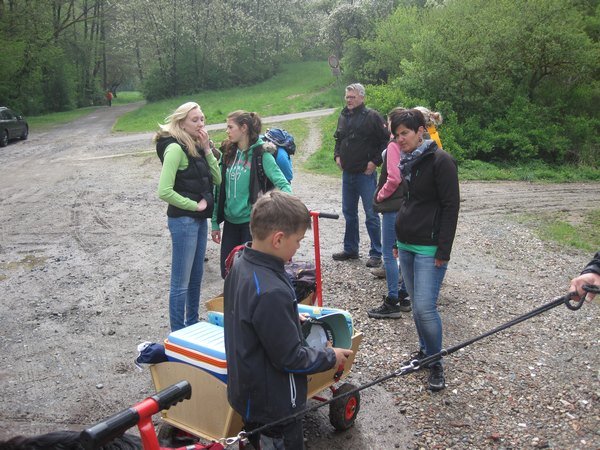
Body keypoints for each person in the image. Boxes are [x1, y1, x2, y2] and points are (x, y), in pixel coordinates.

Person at [223, 191, 353, 449]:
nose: (298, 248)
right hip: (275, 407)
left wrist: (288, 314)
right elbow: (290, 358)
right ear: (278, 239)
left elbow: (251, 312)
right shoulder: (271, 291)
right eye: (298, 241)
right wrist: (331, 357)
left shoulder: (242, 262)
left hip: (248, 392)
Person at [392, 108, 460, 392]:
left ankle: (436, 362)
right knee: (417, 311)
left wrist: (443, 249)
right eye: (396, 135)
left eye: (405, 133)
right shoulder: (409, 161)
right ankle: (424, 352)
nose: (400, 140)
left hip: (430, 248)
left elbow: (450, 206)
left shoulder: (440, 161)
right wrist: (397, 240)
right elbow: (408, 202)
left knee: (424, 307)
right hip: (407, 244)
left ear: (421, 130)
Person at [155, 102, 221, 331]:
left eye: (202, 119)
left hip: (198, 220)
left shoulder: (196, 145)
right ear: (181, 122)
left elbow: (218, 179)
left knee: (196, 277)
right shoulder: (174, 148)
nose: (201, 124)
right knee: (181, 282)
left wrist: (207, 149)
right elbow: (164, 191)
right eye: (195, 120)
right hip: (183, 221)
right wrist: (194, 206)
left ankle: (192, 323)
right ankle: (178, 331)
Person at [211, 110, 291, 278]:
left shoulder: (261, 154)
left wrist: (287, 211)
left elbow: (283, 185)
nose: (227, 131)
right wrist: (215, 222)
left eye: (230, 127)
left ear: (244, 128)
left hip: (252, 225)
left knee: (250, 275)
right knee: (229, 273)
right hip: (230, 224)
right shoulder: (228, 153)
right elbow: (218, 189)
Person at [332, 83, 389, 268]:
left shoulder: (372, 116)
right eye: (347, 97)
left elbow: (386, 141)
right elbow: (338, 139)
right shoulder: (343, 115)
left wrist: (375, 162)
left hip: (365, 174)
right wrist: (337, 155)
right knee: (349, 213)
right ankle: (351, 249)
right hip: (347, 173)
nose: (349, 100)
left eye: (352, 97)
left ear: (362, 98)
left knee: (371, 214)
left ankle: (376, 253)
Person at [368, 108, 411, 318]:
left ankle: (392, 299)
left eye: (388, 122)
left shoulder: (394, 146)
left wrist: (380, 196)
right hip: (407, 204)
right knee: (402, 251)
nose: (386, 126)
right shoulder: (411, 145)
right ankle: (403, 295)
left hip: (393, 206)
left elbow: (394, 177)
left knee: (389, 253)